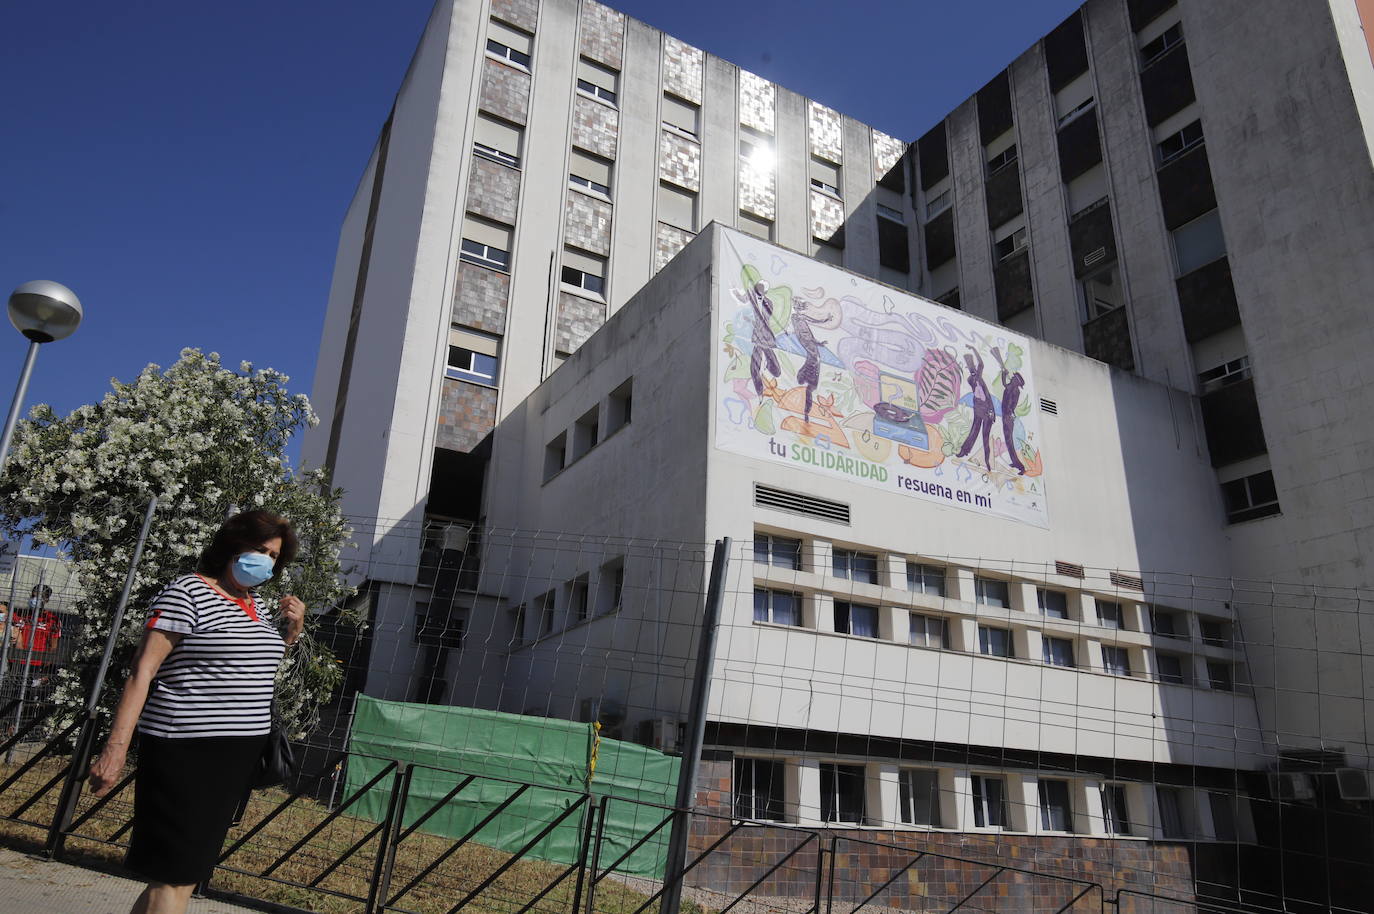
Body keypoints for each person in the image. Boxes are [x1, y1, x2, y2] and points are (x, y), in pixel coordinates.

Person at [87, 511, 307, 914]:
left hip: (237, 754)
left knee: (182, 876)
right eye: (259, 549)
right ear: (232, 545)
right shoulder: (187, 592)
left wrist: (290, 636)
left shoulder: (256, 605)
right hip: (185, 750)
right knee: (174, 875)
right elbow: (143, 670)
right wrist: (115, 749)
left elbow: (246, 668)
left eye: (274, 556)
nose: (266, 561)